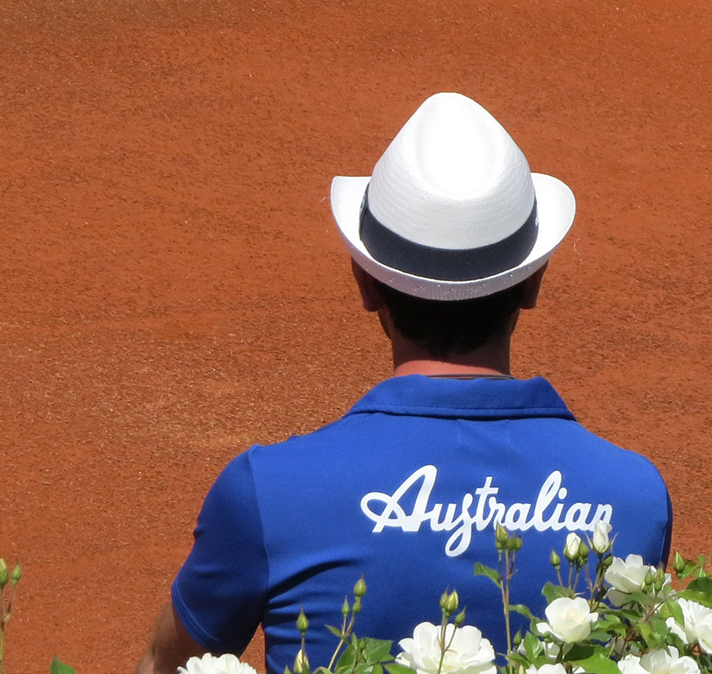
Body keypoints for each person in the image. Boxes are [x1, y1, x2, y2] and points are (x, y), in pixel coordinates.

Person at [137, 93, 671, 674]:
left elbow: (166, 664)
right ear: (533, 283)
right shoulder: (634, 498)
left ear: (365, 283)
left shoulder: (265, 492)